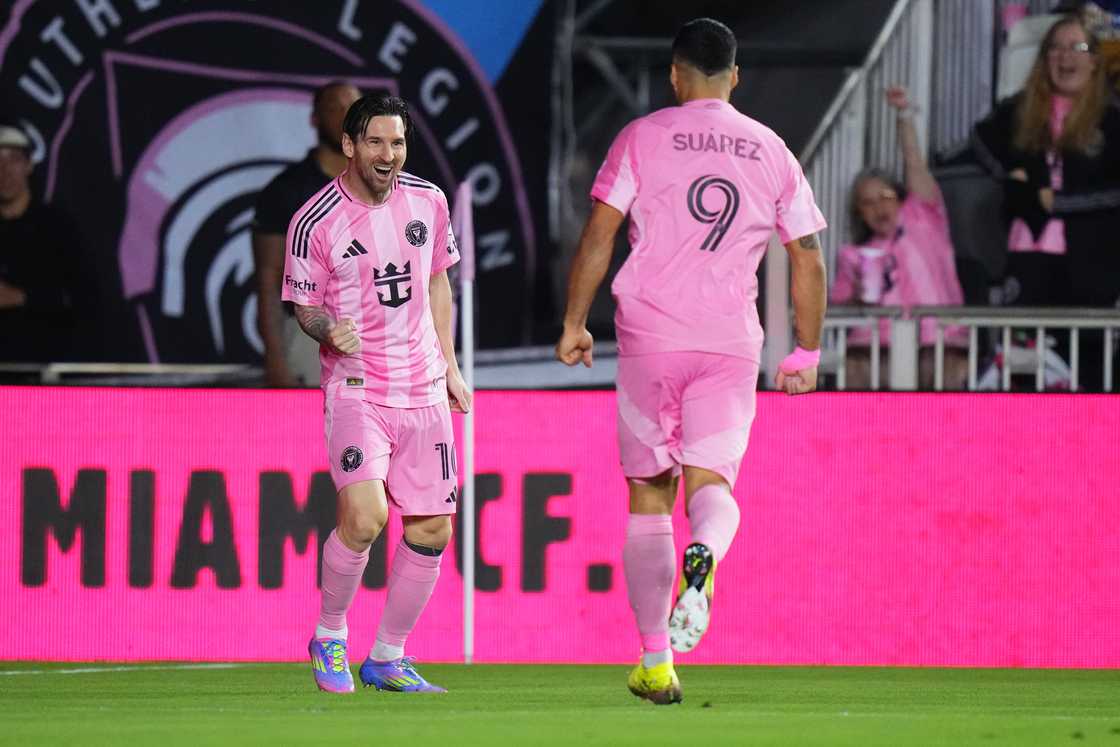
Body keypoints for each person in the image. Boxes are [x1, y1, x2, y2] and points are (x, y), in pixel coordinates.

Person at [555, 18, 827, 704]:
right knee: (715, 487)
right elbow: (807, 254)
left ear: (674, 76)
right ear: (735, 77)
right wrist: (807, 347)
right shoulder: (770, 148)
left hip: (652, 332)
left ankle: (655, 658)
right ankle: (704, 557)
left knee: (649, 491)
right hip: (729, 338)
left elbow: (600, 233)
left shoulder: (640, 137)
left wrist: (573, 322)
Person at [282, 94, 471, 694]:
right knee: (365, 518)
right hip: (357, 386)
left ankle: (388, 656)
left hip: (423, 386)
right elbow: (303, 306)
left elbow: (438, 282)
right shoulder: (315, 220)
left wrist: (451, 365)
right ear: (349, 146)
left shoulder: (430, 201)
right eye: (375, 143)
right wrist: (325, 328)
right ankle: (330, 636)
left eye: (398, 143)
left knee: (434, 529)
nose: (388, 155)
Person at [973, 14, 1120, 388]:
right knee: (1023, 359)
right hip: (1028, 255)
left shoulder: (1112, 119)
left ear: (1094, 62)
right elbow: (979, 143)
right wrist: (1013, 181)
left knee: (1084, 366)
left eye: (1077, 47)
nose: (1065, 56)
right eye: (1055, 47)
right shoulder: (1021, 110)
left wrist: (1060, 203)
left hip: (1090, 262)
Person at [830, 86, 969, 390]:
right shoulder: (853, 255)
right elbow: (837, 307)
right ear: (859, 213)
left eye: (885, 196)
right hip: (877, 348)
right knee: (856, 367)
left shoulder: (923, 220)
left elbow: (914, 164)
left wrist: (903, 115)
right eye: (867, 202)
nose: (879, 207)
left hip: (938, 340)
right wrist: (854, 295)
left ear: (902, 198)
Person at [254, 81, 361, 387]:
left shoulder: (382, 185)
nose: (345, 115)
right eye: (334, 108)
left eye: (352, 107)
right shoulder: (285, 191)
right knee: (316, 431)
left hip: (376, 333)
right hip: (308, 336)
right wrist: (274, 358)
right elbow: (268, 277)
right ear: (314, 119)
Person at [0, 124, 83, 363]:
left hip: (44, 372)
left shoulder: (57, 228)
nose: (4, 171)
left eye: (13, 160)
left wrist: (22, 297)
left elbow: (84, 301)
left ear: (28, 166)